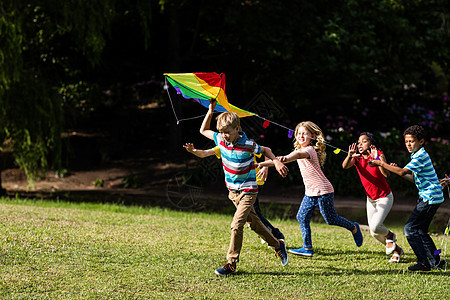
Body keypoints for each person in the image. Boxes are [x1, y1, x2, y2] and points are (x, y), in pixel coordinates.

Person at [199, 99, 289, 276]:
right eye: (221, 132)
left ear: (237, 128)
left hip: (249, 191)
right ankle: (278, 245)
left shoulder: (248, 145)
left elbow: (266, 150)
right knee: (254, 224)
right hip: (233, 192)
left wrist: (276, 162)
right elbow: (203, 130)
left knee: (236, 225)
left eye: (227, 132)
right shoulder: (221, 140)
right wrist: (210, 111)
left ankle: (231, 264)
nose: (224, 135)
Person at [259, 121, 363, 257]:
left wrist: (285, 158)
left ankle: (354, 227)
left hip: (323, 191)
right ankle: (307, 248)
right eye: (299, 133)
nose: (301, 136)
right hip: (311, 192)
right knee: (301, 216)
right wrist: (260, 164)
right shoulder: (298, 150)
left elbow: (294, 156)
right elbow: (280, 159)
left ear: (312, 136)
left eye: (305, 133)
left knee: (330, 219)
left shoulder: (308, 150)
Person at [369, 125, 446, 271]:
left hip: (429, 198)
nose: (409, 144)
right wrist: (398, 170)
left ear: (421, 141)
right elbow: (411, 177)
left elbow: (403, 171)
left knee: (410, 229)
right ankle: (436, 260)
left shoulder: (421, 155)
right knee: (421, 231)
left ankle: (423, 263)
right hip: (433, 197)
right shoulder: (417, 155)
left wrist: (380, 163)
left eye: (412, 141)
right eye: (406, 142)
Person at [183, 143, 285, 241]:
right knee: (253, 213)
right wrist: (193, 151)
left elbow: (267, 150)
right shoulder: (222, 146)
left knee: (254, 213)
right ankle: (272, 234)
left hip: (253, 182)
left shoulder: (245, 144)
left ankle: (275, 235)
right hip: (239, 186)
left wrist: (265, 167)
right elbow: (204, 153)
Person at [342, 132, 404, 263]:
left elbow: (386, 174)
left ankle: (390, 235)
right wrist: (349, 156)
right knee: (374, 232)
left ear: (371, 144)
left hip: (384, 197)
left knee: (376, 227)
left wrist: (378, 161)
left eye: (364, 141)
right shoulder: (357, 158)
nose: (360, 144)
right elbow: (345, 166)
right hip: (370, 199)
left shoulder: (379, 154)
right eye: (359, 142)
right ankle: (397, 249)